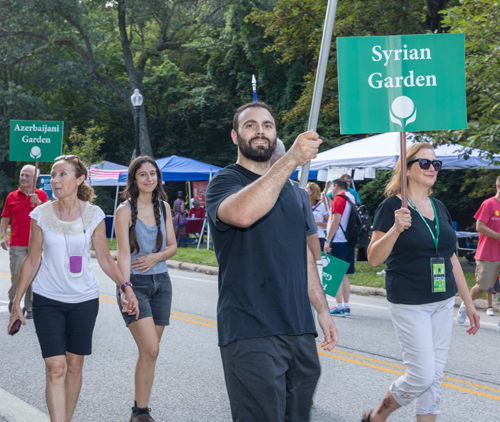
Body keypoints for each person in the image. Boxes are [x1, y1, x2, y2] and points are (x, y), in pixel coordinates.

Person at [206, 101, 338, 422]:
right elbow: (243, 213)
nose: (260, 131)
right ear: (235, 136)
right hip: (250, 329)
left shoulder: (295, 194)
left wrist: (322, 309)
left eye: (267, 125)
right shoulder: (224, 183)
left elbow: (304, 255)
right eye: (250, 125)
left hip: (298, 328)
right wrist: (292, 158)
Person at [7, 155, 139, 422]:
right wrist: (16, 302)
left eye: (63, 174)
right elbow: (32, 260)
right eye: (54, 175)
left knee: (75, 365)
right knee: (56, 367)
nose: (56, 180)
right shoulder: (40, 214)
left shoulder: (94, 214)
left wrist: (126, 286)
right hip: (48, 300)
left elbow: (104, 257)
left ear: (79, 179)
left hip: (84, 300)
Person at [363, 143, 479, 422]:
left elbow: (450, 256)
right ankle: (378, 415)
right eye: (424, 163)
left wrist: (468, 301)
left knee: (435, 378)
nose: (432, 169)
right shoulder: (392, 206)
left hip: (443, 300)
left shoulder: (439, 206)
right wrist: (395, 228)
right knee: (422, 375)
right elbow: (373, 258)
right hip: (409, 301)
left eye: (436, 164)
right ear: (407, 168)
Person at [115, 156, 177, 422]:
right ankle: (140, 412)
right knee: (151, 349)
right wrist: (125, 288)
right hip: (135, 285)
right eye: (143, 174)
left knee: (150, 352)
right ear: (134, 179)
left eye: (153, 174)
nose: (149, 179)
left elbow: (173, 246)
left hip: (161, 284)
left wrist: (156, 257)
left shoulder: (163, 207)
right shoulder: (124, 211)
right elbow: (123, 254)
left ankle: (141, 409)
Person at [1, 165, 49, 318]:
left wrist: (39, 204)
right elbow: (5, 217)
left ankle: (30, 307)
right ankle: (13, 299)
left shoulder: (42, 195)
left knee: (33, 276)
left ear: (35, 179)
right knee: (17, 274)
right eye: (22, 175)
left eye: (28, 175)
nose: (24, 178)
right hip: (17, 243)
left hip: (37, 243)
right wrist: (3, 236)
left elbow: (50, 217)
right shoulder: (12, 196)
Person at [457, 176, 500, 323]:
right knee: (482, 287)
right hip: (488, 254)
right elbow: (480, 226)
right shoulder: (489, 204)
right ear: (498, 186)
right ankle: (466, 304)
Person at [324, 178, 356, 317]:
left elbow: (335, 220)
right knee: (345, 274)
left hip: (338, 239)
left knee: (336, 274)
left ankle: (339, 306)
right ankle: (346, 306)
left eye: (331, 187)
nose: (331, 190)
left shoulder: (339, 198)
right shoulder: (351, 197)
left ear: (336, 186)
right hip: (350, 239)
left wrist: (327, 240)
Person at [308, 182, 329, 251]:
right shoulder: (303, 204)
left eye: (306, 189)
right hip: (305, 237)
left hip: (319, 236)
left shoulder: (321, 206)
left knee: (318, 259)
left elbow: (329, 224)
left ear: (312, 192)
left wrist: (316, 223)